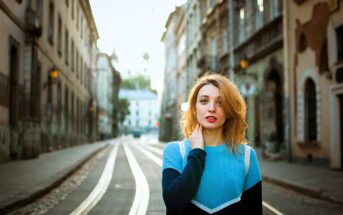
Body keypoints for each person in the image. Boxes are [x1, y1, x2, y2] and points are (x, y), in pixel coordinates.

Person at [162, 73, 262, 214]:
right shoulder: (175, 151)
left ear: (229, 110)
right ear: (194, 109)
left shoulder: (246, 155)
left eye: (220, 102)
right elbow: (173, 203)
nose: (212, 108)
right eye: (204, 101)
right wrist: (197, 153)